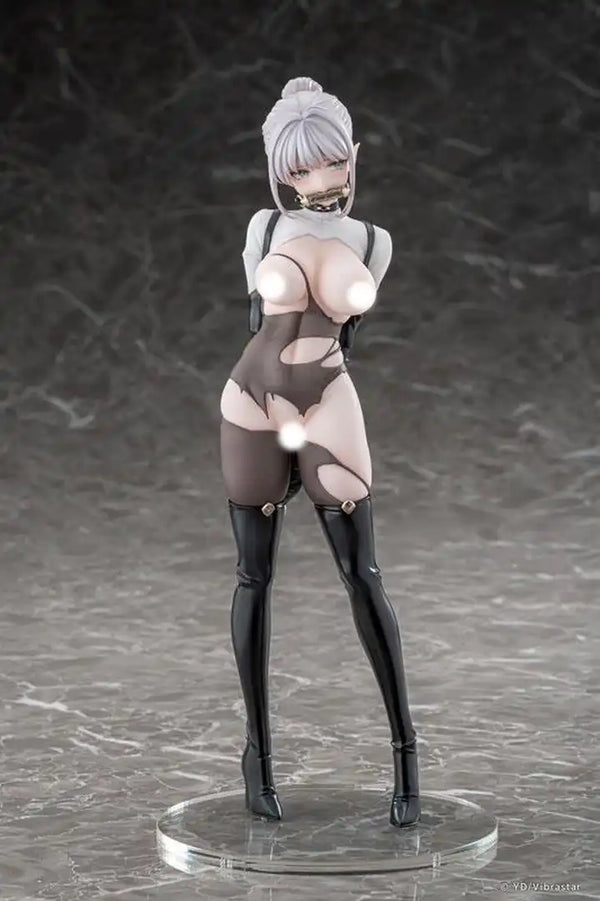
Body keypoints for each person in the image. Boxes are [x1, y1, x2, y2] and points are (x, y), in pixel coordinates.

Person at [219, 76, 420, 827]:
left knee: (362, 572)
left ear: (352, 156)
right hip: (250, 399)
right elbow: (257, 317)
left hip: (328, 397)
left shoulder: (373, 241)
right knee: (253, 576)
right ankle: (257, 760)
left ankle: (407, 756)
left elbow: (346, 334)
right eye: (298, 167)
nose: (316, 178)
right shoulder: (264, 226)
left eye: (330, 161)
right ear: (279, 171)